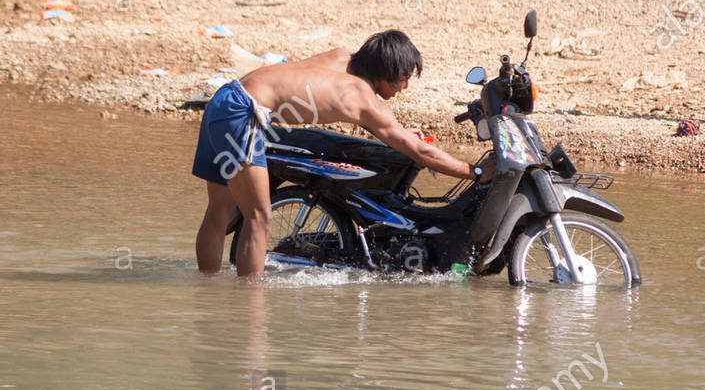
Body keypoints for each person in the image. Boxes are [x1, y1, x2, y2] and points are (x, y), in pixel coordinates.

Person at [192, 29, 491, 276]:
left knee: (218, 212)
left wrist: (397, 132)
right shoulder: (360, 97)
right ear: (385, 73)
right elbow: (419, 152)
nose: (405, 86)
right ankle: (248, 312)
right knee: (259, 217)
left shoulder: (340, 55)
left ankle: (207, 294)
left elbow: (317, 87)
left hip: (224, 100)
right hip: (243, 115)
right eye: (402, 79)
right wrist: (474, 172)